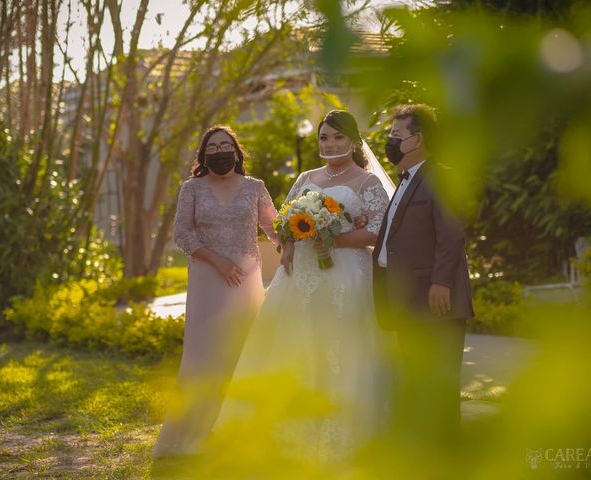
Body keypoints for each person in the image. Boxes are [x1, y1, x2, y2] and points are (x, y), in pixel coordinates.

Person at [214, 110, 395, 461]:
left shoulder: (366, 182)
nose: (329, 144)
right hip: (298, 276)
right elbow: (284, 220)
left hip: (345, 277)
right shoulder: (306, 177)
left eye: (337, 137)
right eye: (324, 137)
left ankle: (345, 428)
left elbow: (377, 229)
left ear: (354, 141)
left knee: (340, 347)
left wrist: (336, 239)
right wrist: (292, 242)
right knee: (296, 342)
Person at [152, 125, 279, 457]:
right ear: (203, 155)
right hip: (208, 280)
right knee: (204, 355)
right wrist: (218, 261)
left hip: (246, 282)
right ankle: (194, 432)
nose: (220, 151)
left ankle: (239, 430)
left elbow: (273, 227)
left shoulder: (255, 187)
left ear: (237, 153)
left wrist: (300, 241)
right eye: (213, 147)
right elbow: (183, 234)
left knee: (242, 351)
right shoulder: (191, 188)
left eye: (227, 145)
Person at [372, 104, 474, 446]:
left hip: (436, 299)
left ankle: (449, 456)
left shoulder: (441, 175)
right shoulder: (407, 181)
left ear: (417, 139)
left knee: (441, 381)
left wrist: (441, 282)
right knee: (417, 379)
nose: (390, 141)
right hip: (407, 300)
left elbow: (451, 233)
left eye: (396, 135)